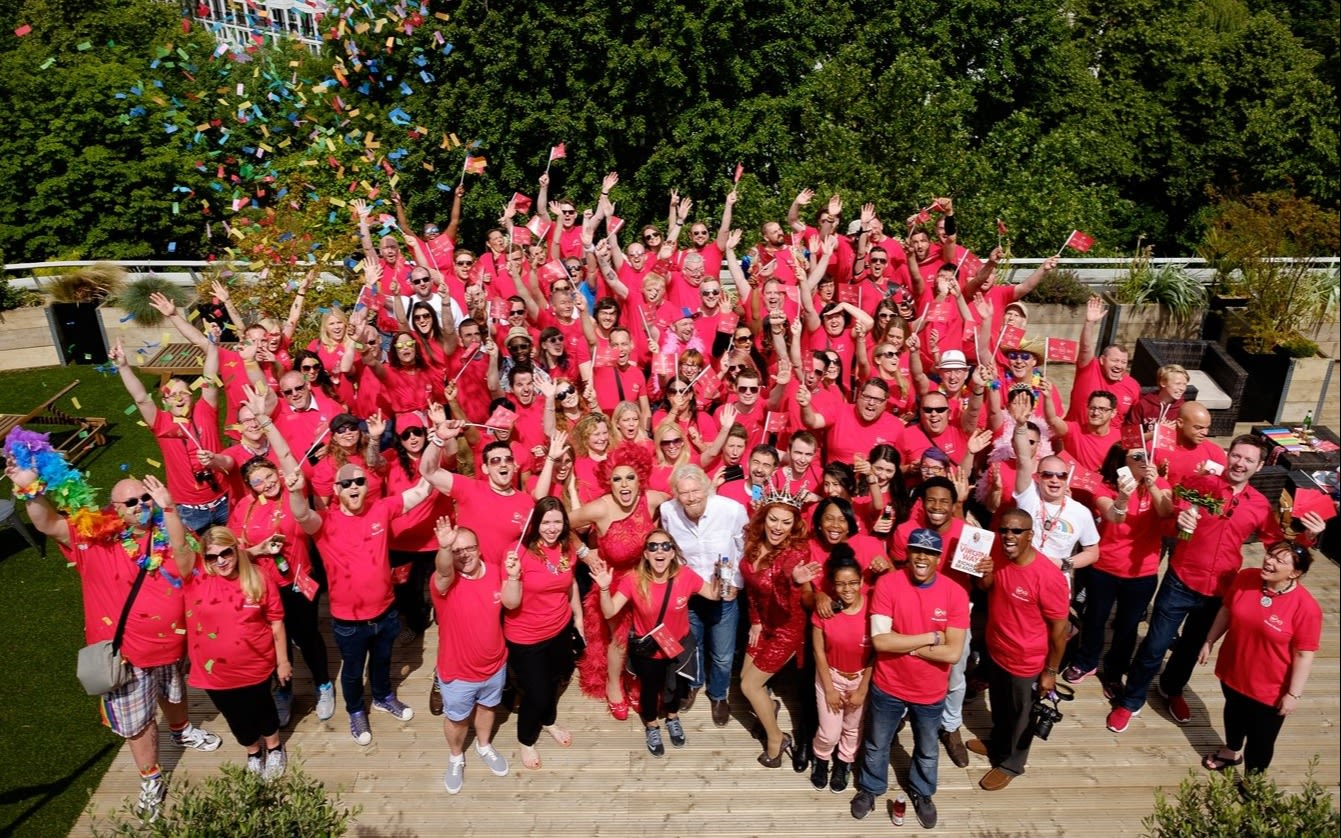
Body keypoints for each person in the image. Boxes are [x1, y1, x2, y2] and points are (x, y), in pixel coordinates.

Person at [6, 433, 221, 822]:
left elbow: (188, 565)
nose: (141, 506)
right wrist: (31, 490)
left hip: (171, 648)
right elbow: (49, 523)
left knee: (173, 694)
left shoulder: (170, 532)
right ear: (114, 508)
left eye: (145, 499)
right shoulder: (94, 538)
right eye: (131, 502)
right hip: (126, 657)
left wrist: (170, 510)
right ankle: (151, 778)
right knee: (139, 725)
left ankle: (182, 730)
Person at [1107, 436, 1287, 734]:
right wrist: (1179, 525)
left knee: (1191, 648)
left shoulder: (1259, 506)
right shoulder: (1198, 485)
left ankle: (1171, 688)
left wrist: (1306, 537)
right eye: (1236, 456)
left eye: (1248, 460)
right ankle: (1131, 699)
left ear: (1259, 466)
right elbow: (1166, 522)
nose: (1240, 464)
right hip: (1181, 579)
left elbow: (1276, 546)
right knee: (1155, 644)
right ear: (1228, 455)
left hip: (1220, 589)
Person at [286, 462, 435, 746]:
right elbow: (302, 514)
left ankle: (382, 697)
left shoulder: (381, 509)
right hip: (348, 622)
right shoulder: (325, 522)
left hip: (386, 613)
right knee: (353, 672)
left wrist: (437, 440)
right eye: (346, 483)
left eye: (359, 481)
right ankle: (355, 710)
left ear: (367, 486)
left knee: (382, 662)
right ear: (336, 490)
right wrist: (295, 491)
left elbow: (420, 491)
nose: (353, 487)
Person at [160, 484, 290, 780]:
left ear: (236, 550)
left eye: (226, 553)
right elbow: (180, 546)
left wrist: (282, 661)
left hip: (256, 665)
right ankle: (253, 753)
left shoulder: (257, 577)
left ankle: (274, 748)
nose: (220, 561)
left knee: (263, 710)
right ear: (203, 559)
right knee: (236, 717)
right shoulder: (196, 579)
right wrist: (169, 508)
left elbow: (276, 621)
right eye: (211, 556)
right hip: (214, 674)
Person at [851, 528, 967, 829]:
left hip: (930, 690)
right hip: (888, 685)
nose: (922, 557)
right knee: (877, 743)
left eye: (929, 552)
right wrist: (930, 639)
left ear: (939, 558)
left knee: (927, 748)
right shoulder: (888, 584)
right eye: (917, 550)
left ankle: (922, 791)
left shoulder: (955, 593)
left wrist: (906, 645)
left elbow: (953, 653)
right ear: (907, 553)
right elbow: (881, 642)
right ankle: (870, 787)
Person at [1197, 541, 1321, 775]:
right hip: (1233, 671)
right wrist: (1209, 640)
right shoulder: (1246, 577)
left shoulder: (1306, 608)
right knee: (1233, 713)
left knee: (1261, 740)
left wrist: (1293, 694)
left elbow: (1304, 654)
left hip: (1269, 689)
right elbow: (1226, 610)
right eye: (1270, 555)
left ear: (1295, 573)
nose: (1269, 561)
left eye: (1279, 561)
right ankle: (1232, 752)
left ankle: (1252, 784)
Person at [592, 530, 720, 757]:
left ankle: (672, 718)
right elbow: (609, 610)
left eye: (665, 546)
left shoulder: (685, 576)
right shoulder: (633, 579)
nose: (659, 551)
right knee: (650, 691)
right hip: (649, 652)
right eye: (653, 547)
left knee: (677, 689)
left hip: (678, 647)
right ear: (646, 554)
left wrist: (721, 575)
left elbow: (712, 594)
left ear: (673, 553)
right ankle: (652, 726)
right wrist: (604, 588)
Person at [969, 508, 1070, 791]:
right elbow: (988, 588)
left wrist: (1050, 671)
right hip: (997, 651)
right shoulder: (999, 556)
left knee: (1022, 717)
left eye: (1016, 531)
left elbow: (1060, 631)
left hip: (1027, 662)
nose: (1008, 536)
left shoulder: (1047, 577)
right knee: (1001, 708)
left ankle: (1012, 763)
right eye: (1004, 531)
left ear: (1030, 536)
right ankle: (999, 745)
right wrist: (984, 574)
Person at [568, 444, 669, 717]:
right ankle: (614, 686)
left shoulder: (653, 499)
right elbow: (557, 522)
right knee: (621, 639)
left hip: (647, 580)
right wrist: (584, 552)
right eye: (617, 479)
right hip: (612, 583)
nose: (624, 485)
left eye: (630, 477)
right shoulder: (600, 508)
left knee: (646, 636)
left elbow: (686, 500)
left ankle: (637, 680)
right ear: (608, 482)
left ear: (641, 479)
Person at [1063, 445, 1172, 695]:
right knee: (1094, 618)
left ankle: (1113, 672)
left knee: (1128, 625)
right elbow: (1114, 518)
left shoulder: (1161, 484)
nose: (1144, 460)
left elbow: (1166, 512)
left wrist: (1153, 485)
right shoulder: (1106, 487)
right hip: (1105, 567)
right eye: (1137, 456)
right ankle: (1086, 661)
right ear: (1122, 461)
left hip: (1141, 572)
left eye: (1147, 455)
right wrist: (1123, 496)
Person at [111, 328, 228, 535]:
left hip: (224, 500)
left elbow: (210, 377)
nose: (180, 398)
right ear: (164, 402)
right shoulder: (161, 422)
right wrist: (123, 366)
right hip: (189, 511)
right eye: (172, 395)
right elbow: (140, 398)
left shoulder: (205, 410)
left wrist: (212, 345)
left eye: (184, 392)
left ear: (192, 395)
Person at [431, 521, 518, 794]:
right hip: (458, 672)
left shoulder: (494, 572)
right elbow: (443, 570)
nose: (464, 554)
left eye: (469, 548)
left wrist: (514, 576)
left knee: (488, 708)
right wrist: (445, 547)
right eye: (457, 551)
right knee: (457, 719)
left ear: (480, 550)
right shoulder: (445, 584)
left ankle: (484, 745)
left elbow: (512, 603)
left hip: (494, 666)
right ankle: (456, 756)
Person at [659, 464, 749, 727]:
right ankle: (694, 683)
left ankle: (719, 695)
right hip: (690, 593)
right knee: (692, 645)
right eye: (684, 493)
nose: (691, 497)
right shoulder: (668, 511)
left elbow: (744, 548)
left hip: (723, 592)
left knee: (722, 653)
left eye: (696, 490)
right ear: (676, 494)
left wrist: (738, 583)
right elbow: (671, 549)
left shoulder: (731, 510)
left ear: (707, 488)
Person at [738, 494, 822, 768]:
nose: (777, 527)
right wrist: (755, 621)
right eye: (773, 519)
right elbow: (752, 589)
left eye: (786, 522)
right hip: (763, 625)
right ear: (763, 520)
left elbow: (785, 602)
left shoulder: (795, 555)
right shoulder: (752, 543)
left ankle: (777, 738)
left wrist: (794, 582)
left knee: (750, 685)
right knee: (745, 681)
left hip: (787, 630)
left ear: (794, 525)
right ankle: (769, 709)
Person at [504, 497, 584, 770]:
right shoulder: (518, 553)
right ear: (535, 524)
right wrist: (513, 576)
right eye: (546, 522)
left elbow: (570, 583)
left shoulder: (566, 549)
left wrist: (579, 619)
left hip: (560, 629)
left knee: (556, 679)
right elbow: (510, 604)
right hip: (526, 637)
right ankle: (526, 739)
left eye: (557, 522)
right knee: (536, 693)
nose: (551, 528)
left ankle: (548, 721)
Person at [808, 547, 872, 793]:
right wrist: (830, 689)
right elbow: (819, 652)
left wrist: (863, 689)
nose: (847, 589)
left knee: (853, 728)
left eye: (853, 583)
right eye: (841, 584)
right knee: (829, 732)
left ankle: (844, 763)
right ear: (833, 585)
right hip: (831, 676)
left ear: (862, 582)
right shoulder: (825, 612)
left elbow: (875, 653)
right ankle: (822, 758)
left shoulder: (873, 610)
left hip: (859, 678)